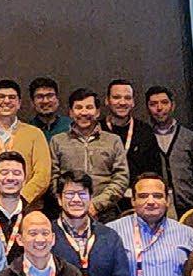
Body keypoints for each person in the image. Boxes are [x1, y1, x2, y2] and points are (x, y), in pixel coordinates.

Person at [0, 79, 55, 206]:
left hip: (29, 207)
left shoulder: (35, 134)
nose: (6, 101)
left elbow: (42, 175)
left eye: (12, 97)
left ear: (19, 103)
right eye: (1, 97)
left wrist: (21, 199)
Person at [50, 89, 132, 221]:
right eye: (78, 108)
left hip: (106, 213)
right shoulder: (58, 141)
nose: (84, 112)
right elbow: (53, 177)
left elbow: (121, 178)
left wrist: (96, 205)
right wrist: (69, 202)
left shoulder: (113, 141)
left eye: (89, 107)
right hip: (68, 211)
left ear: (97, 112)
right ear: (70, 112)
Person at [133, 86, 193, 215]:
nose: (159, 108)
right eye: (153, 104)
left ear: (173, 105)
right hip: (154, 206)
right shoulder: (143, 137)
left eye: (164, 103)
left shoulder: (189, 136)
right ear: (147, 108)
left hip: (189, 205)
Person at [0, 152, 43, 242]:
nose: (10, 178)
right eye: (4, 173)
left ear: (25, 180)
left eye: (16, 173)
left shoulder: (33, 215)